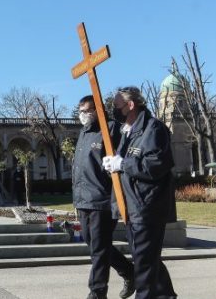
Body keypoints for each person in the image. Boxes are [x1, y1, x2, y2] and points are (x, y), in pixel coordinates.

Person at [103, 87, 177, 299]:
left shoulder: (153, 129)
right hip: (132, 206)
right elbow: (127, 169)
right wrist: (112, 167)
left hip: (147, 206)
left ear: (131, 105)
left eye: (117, 106)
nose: (114, 111)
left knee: (143, 263)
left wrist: (122, 163)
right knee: (146, 258)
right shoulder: (127, 134)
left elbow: (156, 165)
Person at [72, 95, 135, 299]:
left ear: (98, 110)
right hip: (83, 200)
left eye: (87, 110)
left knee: (99, 250)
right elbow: (80, 168)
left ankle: (97, 293)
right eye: (80, 111)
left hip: (102, 200)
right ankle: (129, 272)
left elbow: (123, 157)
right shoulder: (83, 133)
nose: (83, 115)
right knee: (96, 245)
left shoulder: (111, 130)